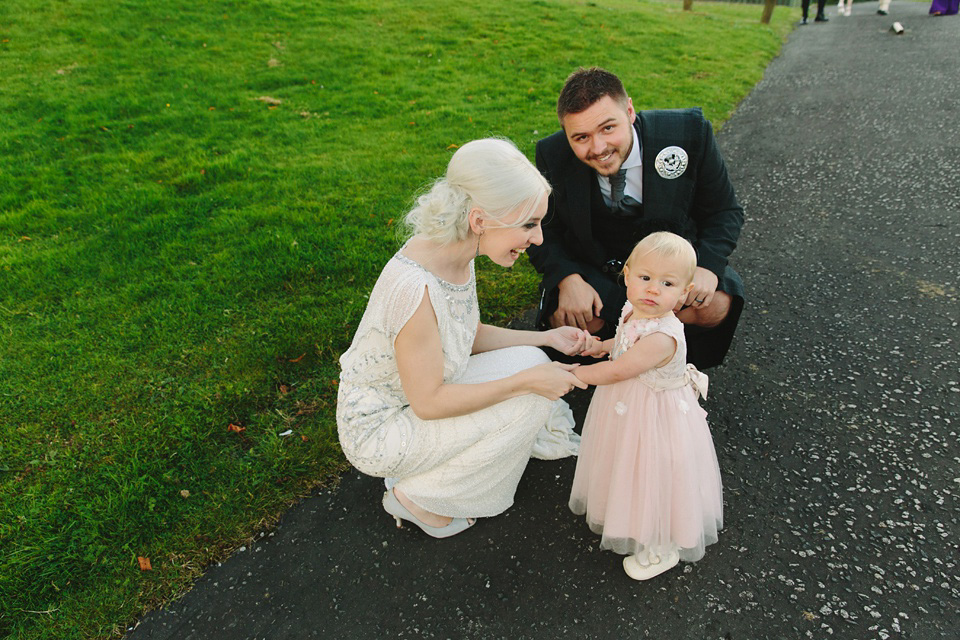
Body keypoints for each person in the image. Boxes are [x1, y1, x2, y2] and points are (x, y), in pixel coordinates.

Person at [337, 138, 590, 539]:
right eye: (528, 224)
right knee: (529, 397)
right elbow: (429, 403)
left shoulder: (454, 252)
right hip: (382, 429)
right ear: (479, 220)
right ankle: (419, 498)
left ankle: (431, 472)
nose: (539, 239)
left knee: (533, 364)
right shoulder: (416, 288)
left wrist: (546, 339)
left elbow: (464, 333)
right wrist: (524, 384)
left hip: (415, 397)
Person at [528, 67, 744, 371]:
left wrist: (707, 265)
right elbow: (542, 229)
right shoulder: (552, 154)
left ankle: (666, 362)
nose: (598, 148)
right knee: (576, 320)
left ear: (629, 110)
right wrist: (567, 279)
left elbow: (724, 211)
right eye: (581, 137)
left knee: (715, 306)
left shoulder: (688, 132)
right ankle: (613, 359)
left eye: (607, 128)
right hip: (596, 269)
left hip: (666, 267)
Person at [568, 232, 723, 580]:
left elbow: (621, 368)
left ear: (683, 294)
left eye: (667, 283)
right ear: (627, 275)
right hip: (628, 401)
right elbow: (624, 343)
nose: (653, 289)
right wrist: (602, 345)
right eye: (645, 278)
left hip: (654, 411)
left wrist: (577, 375)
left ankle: (663, 541)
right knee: (626, 459)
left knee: (654, 467)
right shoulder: (633, 309)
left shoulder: (661, 336)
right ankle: (628, 510)